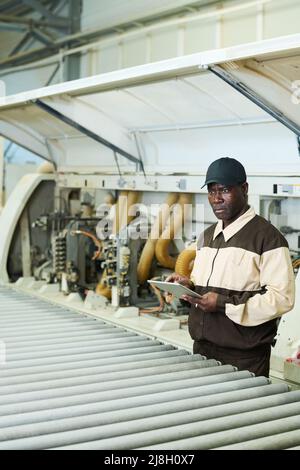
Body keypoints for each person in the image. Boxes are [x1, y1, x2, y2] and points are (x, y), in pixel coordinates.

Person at [167, 157, 295, 377]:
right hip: (203, 349)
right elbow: (204, 287)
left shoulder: (267, 238)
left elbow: (282, 299)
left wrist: (223, 304)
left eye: (224, 190)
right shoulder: (207, 237)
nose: (216, 198)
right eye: (211, 191)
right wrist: (187, 286)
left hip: (245, 358)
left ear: (244, 188)